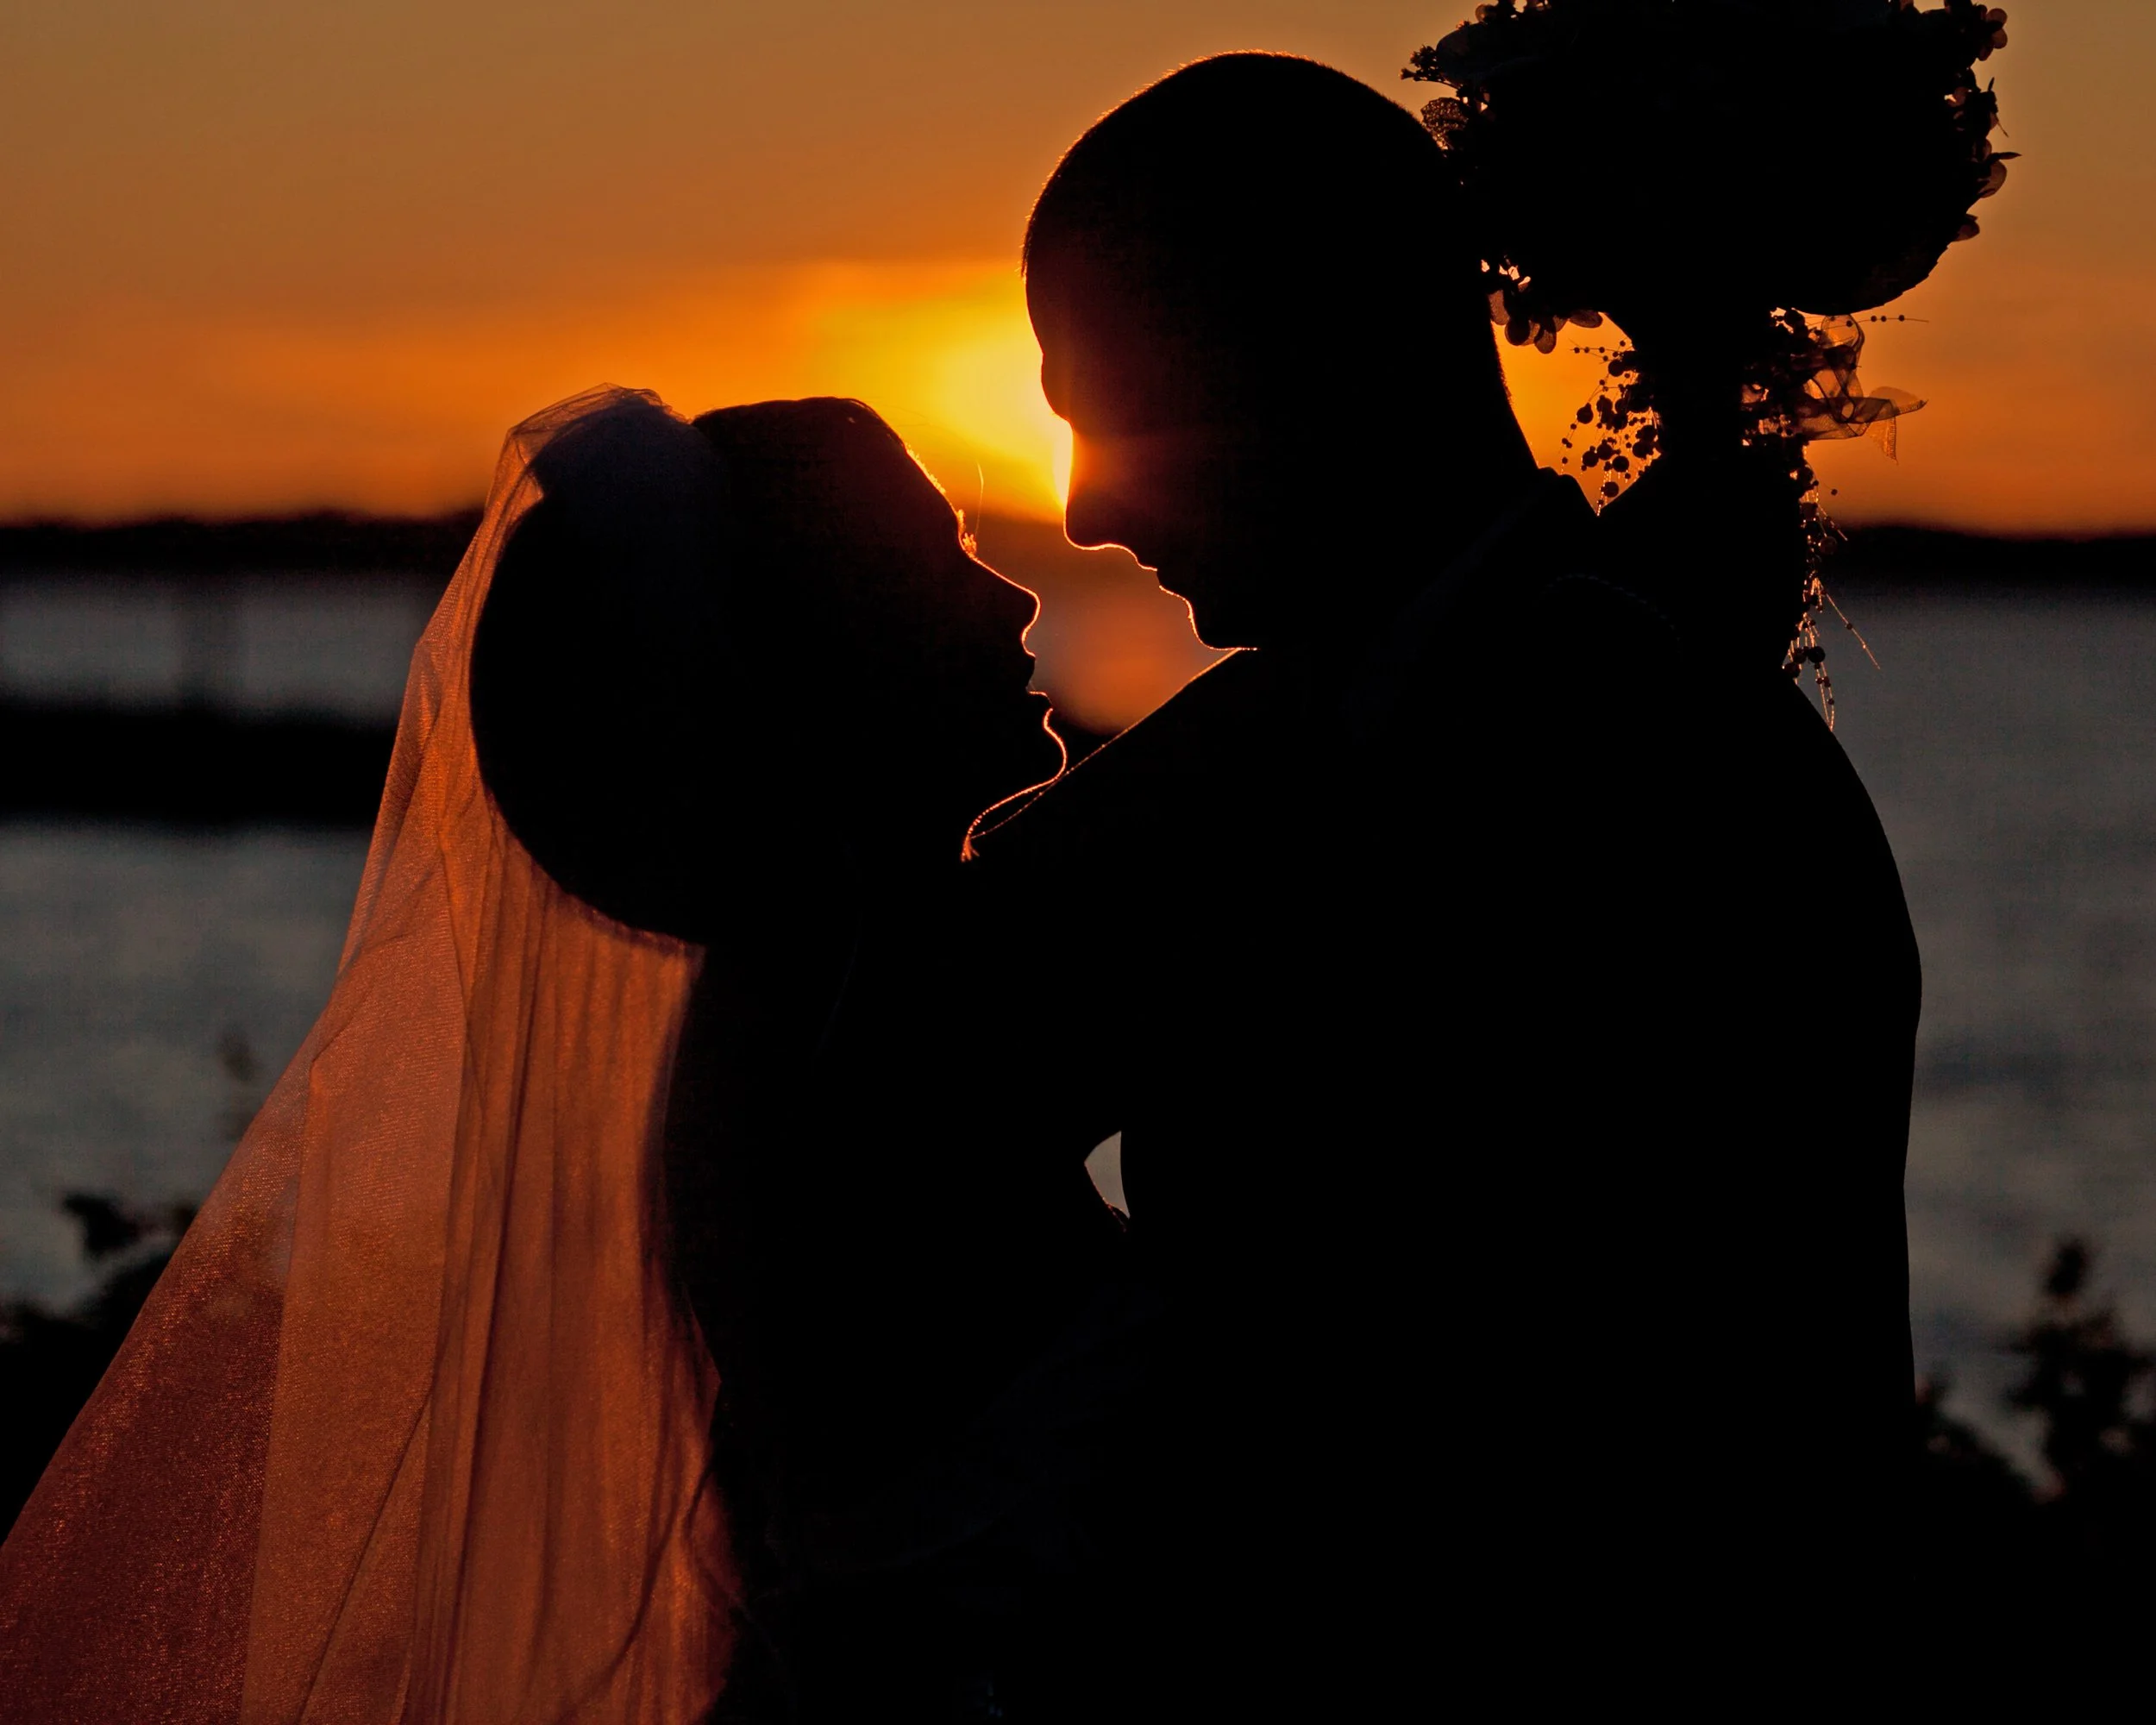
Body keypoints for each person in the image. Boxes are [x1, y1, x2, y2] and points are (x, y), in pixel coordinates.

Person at [972, 49, 1921, 1707]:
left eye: (1115, 403)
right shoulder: (1353, 722)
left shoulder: (1622, 748)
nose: (1087, 503)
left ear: (1316, 342)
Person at [0, 386, 1123, 1723]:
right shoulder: (865, 1031)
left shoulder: (815, 992)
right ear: (818, 662)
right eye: (937, 561)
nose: (1013, 602)